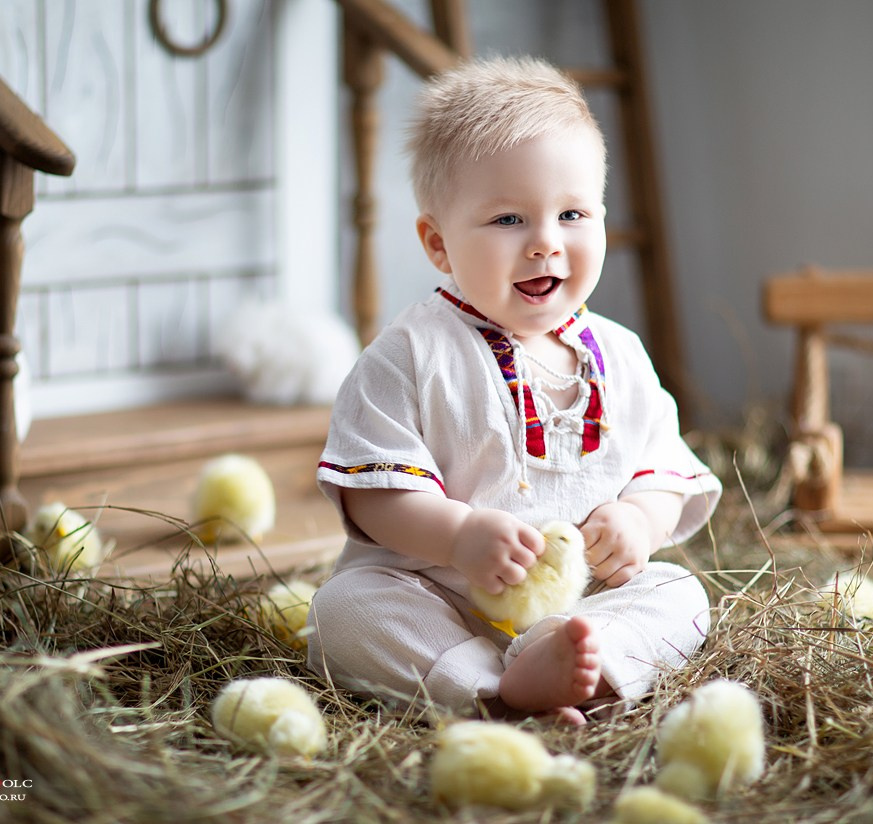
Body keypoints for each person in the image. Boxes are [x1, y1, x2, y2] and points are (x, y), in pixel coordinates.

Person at [306, 56, 721, 724]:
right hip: (441, 597)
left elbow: (663, 466)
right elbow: (375, 497)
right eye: (508, 220)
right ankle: (491, 691)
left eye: (573, 214)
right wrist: (460, 537)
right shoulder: (408, 354)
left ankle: (583, 662)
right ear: (438, 244)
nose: (545, 244)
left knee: (680, 593)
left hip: (580, 603)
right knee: (346, 610)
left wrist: (642, 518)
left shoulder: (621, 354)